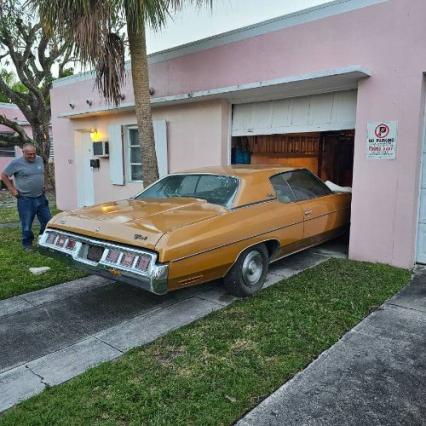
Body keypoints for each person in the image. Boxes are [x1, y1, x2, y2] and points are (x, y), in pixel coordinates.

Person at [1, 143, 51, 250]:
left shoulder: (39, 159)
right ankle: (27, 244)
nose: (32, 156)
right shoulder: (16, 163)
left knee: (47, 221)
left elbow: (43, 172)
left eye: (34, 153)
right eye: (29, 154)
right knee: (27, 224)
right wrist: (12, 189)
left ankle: (42, 240)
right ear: (23, 152)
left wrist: (45, 183)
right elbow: (3, 175)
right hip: (25, 199)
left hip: (41, 197)